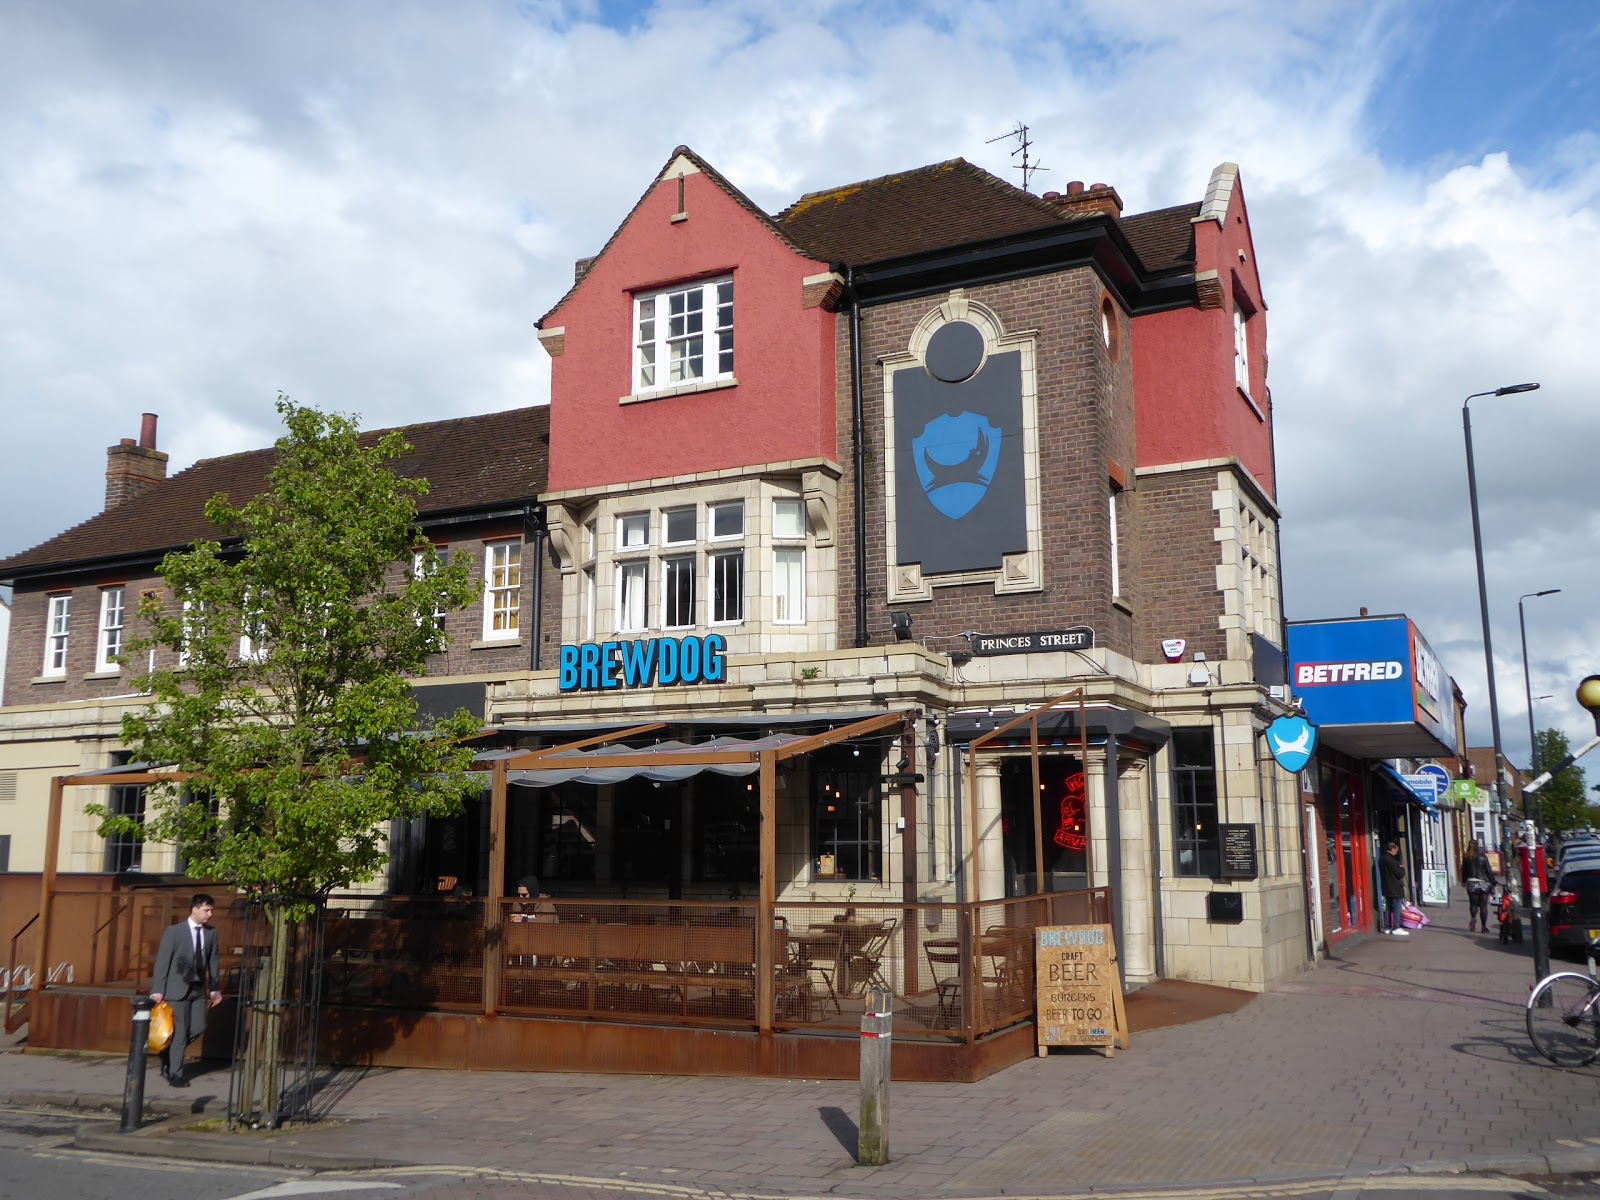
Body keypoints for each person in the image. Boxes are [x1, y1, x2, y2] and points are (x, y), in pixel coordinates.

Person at [150, 893, 223, 1087]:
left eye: (211, 910)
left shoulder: (211, 933)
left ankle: (167, 1052)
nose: (210, 914)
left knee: (199, 1027)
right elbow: (162, 961)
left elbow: (213, 961)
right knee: (180, 1033)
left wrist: (215, 989)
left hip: (198, 989)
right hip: (176, 990)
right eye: (207, 910)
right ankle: (175, 1074)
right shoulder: (174, 932)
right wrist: (157, 989)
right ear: (194, 909)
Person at [1462, 839, 1495, 932]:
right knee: (1483, 906)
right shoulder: (1483, 856)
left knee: (1473, 904)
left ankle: (1473, 918)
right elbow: (1488, 870)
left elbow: (1464, 871)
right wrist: (1493, 882)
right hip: (1483, 883)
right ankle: (1484, 927)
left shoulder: (1466, 857)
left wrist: (1464, 881)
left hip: (1471, 883)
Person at [1379, 841, 1409, 937]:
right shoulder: (1393, 862)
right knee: (1396, 907)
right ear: (1392, 849)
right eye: (1395, 849)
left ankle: (1387, 927)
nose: (1397, 851)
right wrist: (1402, 868)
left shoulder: (1381, 860)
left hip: (1386, 887)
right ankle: (1396, 927)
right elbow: (1400, 874)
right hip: (1395, 888)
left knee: (1388, 907)